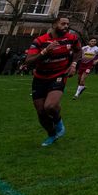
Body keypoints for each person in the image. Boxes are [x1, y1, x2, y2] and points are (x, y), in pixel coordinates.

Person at [24, 16, 82, 147]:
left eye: (67, 24)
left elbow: (79, 51)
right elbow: (28, 61)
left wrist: (73, 65)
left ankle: (59, 122)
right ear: (54, 24)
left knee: (50, 106)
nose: (66, 26)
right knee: (41, 111)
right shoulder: (40, 40)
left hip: (59, 74)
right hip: (40, 77)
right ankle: (51, 134)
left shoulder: (71, 38)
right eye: (63, 24)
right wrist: (45, 51)